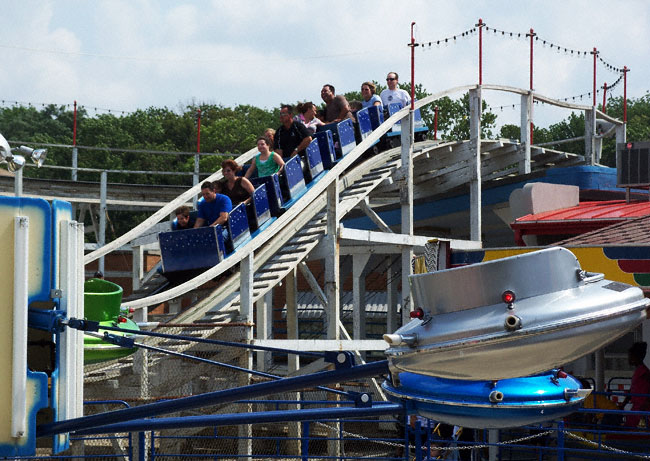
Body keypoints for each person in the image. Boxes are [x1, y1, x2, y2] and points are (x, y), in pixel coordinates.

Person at [619, 342, 650, 428]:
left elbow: (644, 392)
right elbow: (632, 390)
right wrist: (623, 404)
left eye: (630, 356)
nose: (628, 358)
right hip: (637, 408)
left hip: (641, 409)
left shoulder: (643, 373)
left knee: (632, 429)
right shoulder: (640, 371)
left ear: (635, 357)